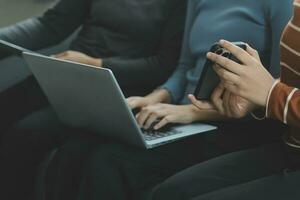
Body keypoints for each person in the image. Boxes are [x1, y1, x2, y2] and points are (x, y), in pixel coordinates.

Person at [39, 0, 294, 199]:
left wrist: (188, 112)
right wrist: (153, 97)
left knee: (108, 163)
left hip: (228, 123)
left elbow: (267, 91)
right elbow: (184, 67)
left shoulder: (281, 4)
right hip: (181, 114)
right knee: (76, 148)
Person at [0, 0, 187, 199]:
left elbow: (162, 66)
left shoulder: (180, 4)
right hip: (64, 73)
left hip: (117, 89)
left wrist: (96, 63)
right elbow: (51, 25)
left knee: (27, 134)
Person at [151, 0, 300, 199]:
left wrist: (271, 94)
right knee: (169, 193)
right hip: (290, 146)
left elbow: (275, 89)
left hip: (257, 135)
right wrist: (255, 101)